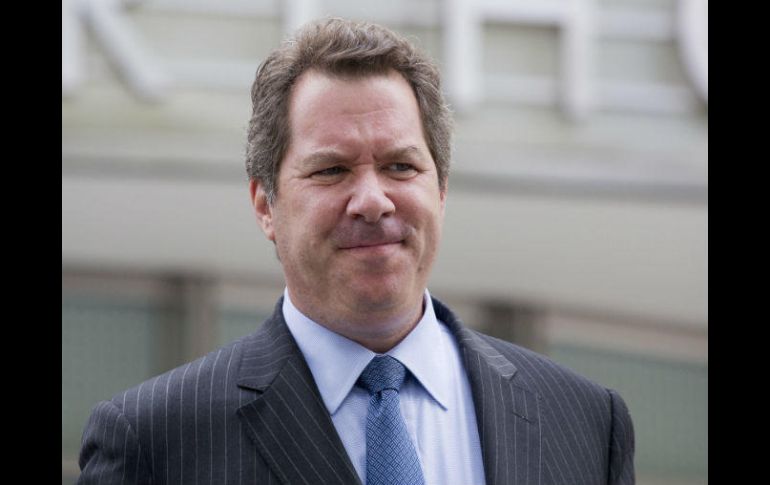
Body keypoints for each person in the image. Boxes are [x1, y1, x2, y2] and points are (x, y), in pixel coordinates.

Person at [77, 17, 635, 485]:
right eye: (331, 170)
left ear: (441, 190)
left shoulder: (585, 421)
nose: (372, 201)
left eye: (400, 166)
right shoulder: (155, 442)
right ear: (266, 205)